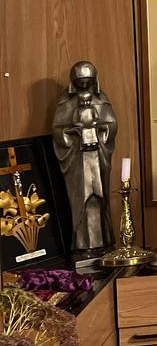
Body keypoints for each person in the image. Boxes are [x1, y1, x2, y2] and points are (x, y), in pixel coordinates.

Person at [51, 61, 117, 253]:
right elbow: (58, 129)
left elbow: (111, 124)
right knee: (81, 198)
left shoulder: (101, 99)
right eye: (80, 82)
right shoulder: (65, 102)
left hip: (97, 155)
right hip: (77, 160)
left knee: (100, 196)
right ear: (73, 81)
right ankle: (81, 245)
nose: (84, 86)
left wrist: (100, 131)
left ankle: (105, 241)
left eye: (88, 82)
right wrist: (71, 134)